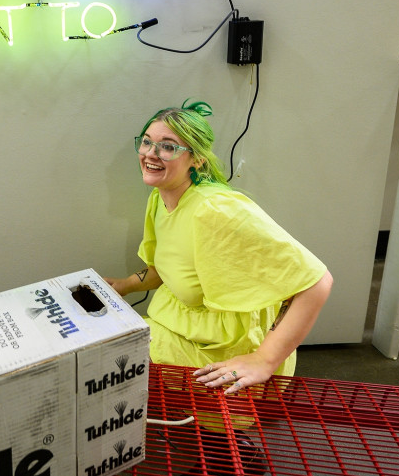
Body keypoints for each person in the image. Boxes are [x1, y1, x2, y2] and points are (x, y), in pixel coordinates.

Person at [106, 100, 333, 395]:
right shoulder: (159, 199)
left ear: (197, 160)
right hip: (182, 326)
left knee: (112, 361)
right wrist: (122, 286)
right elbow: (163, 270)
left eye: (168, 146)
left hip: (221, 345)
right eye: (147, 142)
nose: (151, 153)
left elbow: (317, 282)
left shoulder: (216, 210)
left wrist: (264, 360)